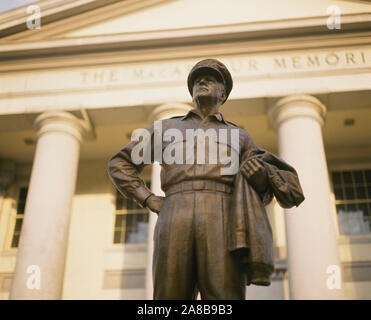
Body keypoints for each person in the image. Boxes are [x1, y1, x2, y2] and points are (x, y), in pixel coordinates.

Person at [107, 59, 304, 300]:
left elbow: (261, 191)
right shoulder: (165, 128)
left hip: (222, 213)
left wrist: (260, 176)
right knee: (169, 296)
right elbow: (119, 163)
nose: (202, 81)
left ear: (223, 93)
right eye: (197, 79)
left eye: (211, 79)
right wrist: (147, 198)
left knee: (224, 296)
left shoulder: (239, 136)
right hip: (175, 211)